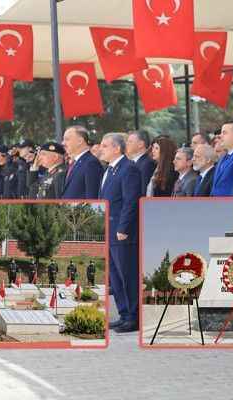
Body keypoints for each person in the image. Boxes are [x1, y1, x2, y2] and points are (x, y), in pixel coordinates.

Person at [98, 132, 143, 333]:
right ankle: (124, 313)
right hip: (110, 229)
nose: (101, 148)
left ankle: (134, 317)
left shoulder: (128, 169)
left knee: (127, 275)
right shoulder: (111, 170)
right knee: (115, 277)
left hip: (121, 232)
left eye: (105, 145)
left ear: (117, 148)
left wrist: (123, 228)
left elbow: (131, 201)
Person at [62, 125, 104, 199]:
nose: (63, 143)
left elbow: (92, 197)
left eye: (67, 139)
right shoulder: (75, 163)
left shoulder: (91, 163)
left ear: (80, 141)